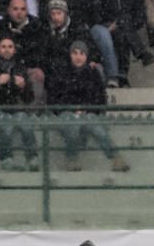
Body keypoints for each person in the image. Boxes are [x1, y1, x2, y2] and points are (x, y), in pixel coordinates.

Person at [46, 41, 132, 172]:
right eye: (75, 53)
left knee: (97, 127)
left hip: (89, 113)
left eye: (82, 53)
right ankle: (72, 158)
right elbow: (53, 99)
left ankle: (116, 158)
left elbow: (100, 99)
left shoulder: (93, 73)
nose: (78, 57)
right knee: (72, 125)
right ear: (70, 55)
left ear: (86, 56)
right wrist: (72, 109)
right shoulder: (61, 73)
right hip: (66, 114)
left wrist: (86, 110)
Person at [0, 35, 38, 171]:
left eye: (10, 47)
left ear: (14, 50)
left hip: (14, 111)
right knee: (7, 123)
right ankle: (6, 159)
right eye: (3, 47)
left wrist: (24, 86)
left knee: (26, 122)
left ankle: (33, 159)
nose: (7, 50)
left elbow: (29, 99)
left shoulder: (20, 68)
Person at [93, 0, 154, 88]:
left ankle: (121, 75)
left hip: (128, 27)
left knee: (123, 30)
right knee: (123, 29)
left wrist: (127, 24)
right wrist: (108, 26)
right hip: (108, 27)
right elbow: (96, 13)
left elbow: (140, 15)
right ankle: (139, 53)